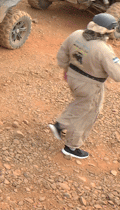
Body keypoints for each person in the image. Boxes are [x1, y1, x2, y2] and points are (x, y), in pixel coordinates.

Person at [48, 13, 120, 159]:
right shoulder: (103, 50)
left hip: (73, 77)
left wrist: (65, 69)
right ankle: (69, 143)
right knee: (86, 113)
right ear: (107, 31)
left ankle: (63, 130)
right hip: (90, 85)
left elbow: (62, 54)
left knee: (80, 104)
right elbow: (117, 75)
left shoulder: (76, 34)